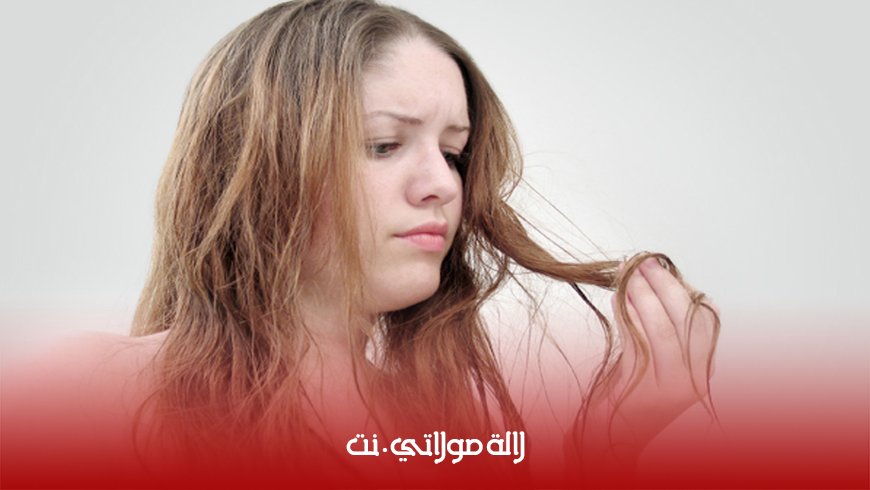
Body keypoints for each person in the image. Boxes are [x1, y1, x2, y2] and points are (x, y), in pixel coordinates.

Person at [1, 1, 718, 488]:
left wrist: (611, 451)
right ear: (264, 163)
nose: (441, 184)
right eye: (384, 144)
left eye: (453, 152)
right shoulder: (83, 394)